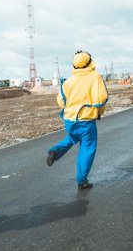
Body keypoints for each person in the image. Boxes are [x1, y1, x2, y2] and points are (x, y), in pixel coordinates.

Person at [46, 50, 108, 189]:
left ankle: (55, 151)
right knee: (87, 147)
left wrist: (70, 108)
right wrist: (99, 112)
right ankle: (82, 180)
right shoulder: (94, 77)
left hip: (70, 119)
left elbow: (61, 100)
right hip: (86, 119)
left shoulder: (68, 81)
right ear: (90, 62)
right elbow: (102, 98)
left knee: (73, 137)